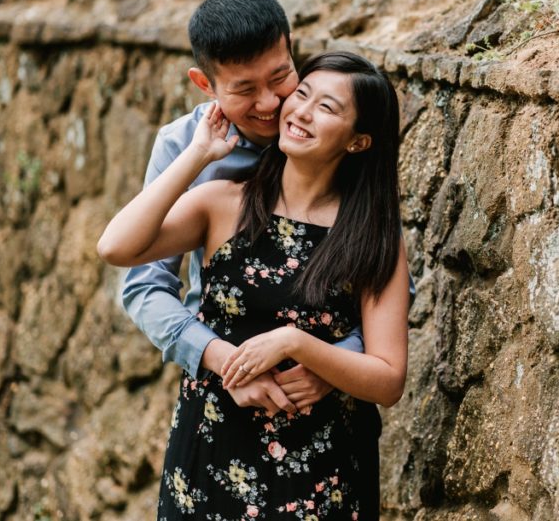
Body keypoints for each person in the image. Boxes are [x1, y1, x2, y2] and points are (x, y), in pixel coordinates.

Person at [98, 52, 409, 519]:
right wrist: (199, 154)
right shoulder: (223, 202)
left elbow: (388, 380)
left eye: (326, 108)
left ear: (359, 141)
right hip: (212, 449)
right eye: (301, 94)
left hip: (325, 467)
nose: (301, 111)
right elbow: (116, 246)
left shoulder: (373, 235)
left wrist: (297, 344)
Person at [122, 0, 363, 418]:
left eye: (279, 77)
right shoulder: (182, 146)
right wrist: (221, 360)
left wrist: (333, 363)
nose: (270, 103)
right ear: (205, 84)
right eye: (244, 89)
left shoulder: (333, 136)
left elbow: (385, 276)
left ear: (292, 51)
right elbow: (143, 281)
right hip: (223, 393)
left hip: (322, 399)